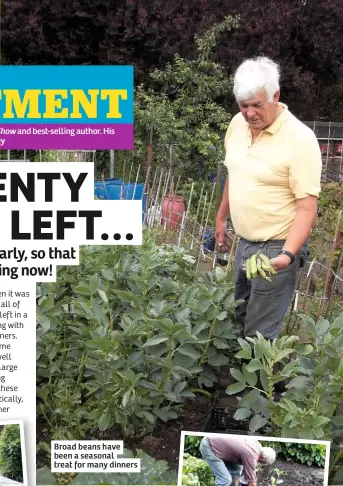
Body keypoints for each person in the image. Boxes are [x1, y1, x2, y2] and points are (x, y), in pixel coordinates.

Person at [215, 56, 322, 339]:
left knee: (259, 332)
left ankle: (260, 382)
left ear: (276, 95)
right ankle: (241, 372)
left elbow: (307, 207)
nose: (249, 114)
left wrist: (287, 255)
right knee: (241, 312)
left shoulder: (299, 139)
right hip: (245, 243)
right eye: (243, 105)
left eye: (257, 105)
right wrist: (221, 217)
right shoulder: (237, 125)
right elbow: (234, 172)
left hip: (277, 246)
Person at [200, 435, 276, 486]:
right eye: (263, 462)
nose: (261, 463)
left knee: (237, 469)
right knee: (225, 480)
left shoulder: (258, 446)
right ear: (263, 459)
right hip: (209, 446)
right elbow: (251, 482)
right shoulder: (252, 455)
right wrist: (252, 480)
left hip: (216, 442)